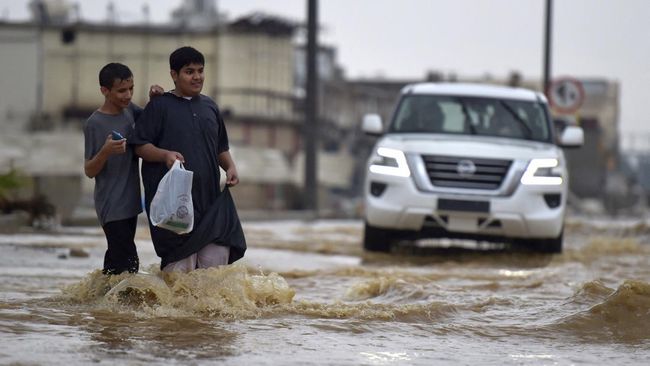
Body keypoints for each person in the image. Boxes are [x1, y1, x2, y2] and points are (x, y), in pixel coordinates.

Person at [132, 46, 246, 273]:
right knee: (178, 280)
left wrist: (230, 166)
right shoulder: (159, 106)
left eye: (200, 71)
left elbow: (220, 147)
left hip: (210, 204)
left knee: (214, 278)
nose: (197, 77)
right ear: (174, 75)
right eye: (189, 71)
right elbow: (140, 146)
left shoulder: (210, 107)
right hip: (175, 206)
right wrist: (164, 155)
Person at [83, 63, 163, 275]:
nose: (127, 95)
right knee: (128, 263)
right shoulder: (95, 123)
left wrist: (154, 100)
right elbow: (89, 170)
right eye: (121, 91)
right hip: (110, 205)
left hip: (130, 203)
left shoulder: (130, 111)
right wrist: (106, 151)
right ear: (105, 91)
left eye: (131, 89)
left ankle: (99, 304)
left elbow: (150, 120)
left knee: (116, 262)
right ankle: (121, 304)